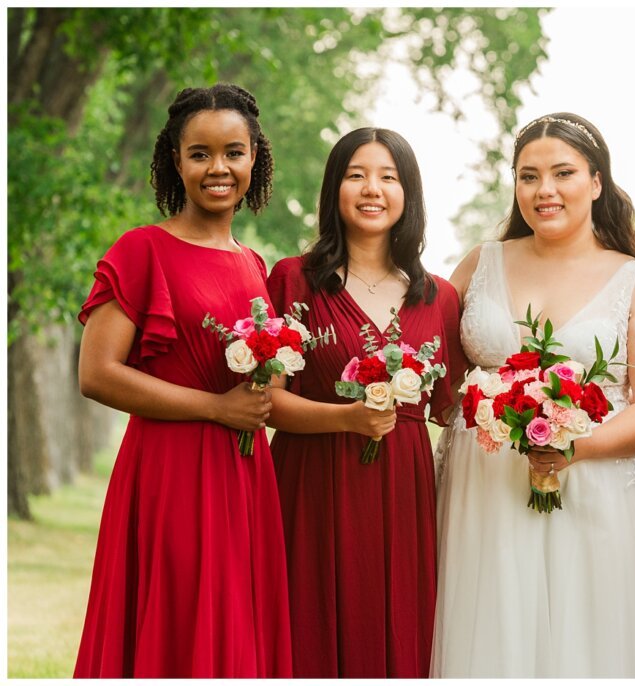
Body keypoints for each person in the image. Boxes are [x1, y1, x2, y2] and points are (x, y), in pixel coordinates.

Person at [431, 113, 635, 677]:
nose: (544, 190)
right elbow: (439, 373)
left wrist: (577, 448)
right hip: (485, 486)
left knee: (589, 639)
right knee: (493, 629)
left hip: (599, 485)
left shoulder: (634, 280)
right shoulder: (480, 262)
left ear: (596, 183)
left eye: (562, 173)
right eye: (528, 176)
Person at [74, 84, 291, 677]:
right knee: (178, 622)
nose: (218, 168)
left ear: (255, 158)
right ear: (176, 160)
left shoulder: (253, 265)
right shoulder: (141, 250)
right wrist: (216, 409)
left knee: (234, 628)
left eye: (233, 152)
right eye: (200, 154)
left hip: (244, 475)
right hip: (170, 470)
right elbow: (96, 374)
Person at [265, 127, 464, 678]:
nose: (371, 189)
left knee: (399, 624)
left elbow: (450, 408)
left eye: (388, 176)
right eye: (356, 175)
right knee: (310, 624)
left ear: (409, 193)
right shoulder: (293, 279)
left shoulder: (439, 296)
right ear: (335, 189)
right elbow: (267, 404)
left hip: (403, 487)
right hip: (311, 480)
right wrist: (346, 418)